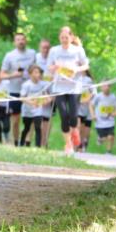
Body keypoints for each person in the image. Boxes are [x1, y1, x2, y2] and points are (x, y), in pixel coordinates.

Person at [47, 26, 90, 155]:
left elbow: (86, 65)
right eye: (62, 37)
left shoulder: (78, 50)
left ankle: (75, 131)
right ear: (59, 38)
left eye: (67, 37)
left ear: (71, 38)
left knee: (73, 116)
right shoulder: (54, 50)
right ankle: (68, 144)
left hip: (74, 87)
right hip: (59, 87)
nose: (64, 39)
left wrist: (76, 69)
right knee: (63, 116)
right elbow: (49, 66)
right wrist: (55, 67)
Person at [1, 33, 37, 146]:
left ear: (26, 41)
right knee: (15, 121)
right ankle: (16, 142)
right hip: (14, 91)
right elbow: (2, 75)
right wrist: (14, 75)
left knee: (30, 119)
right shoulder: (9, 56)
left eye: (22, 39)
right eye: (18, 40)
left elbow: (37, 70)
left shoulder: (32, 53)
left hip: (30, 92)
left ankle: (27, 142)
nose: (21, 41)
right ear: (14, 42)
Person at [20, 64, 50, 147]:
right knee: (27, 128)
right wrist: (31, 103)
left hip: (38, 111)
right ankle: (21, 143)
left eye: (39, 72)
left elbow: (47, 96)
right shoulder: (26, 85)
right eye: (35, 72)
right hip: (27, 110)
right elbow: (22, 98)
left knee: (38, 128)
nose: (38, 74)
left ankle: (38, 147)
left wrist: (46, 101)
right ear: (30, 74)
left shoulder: (42, 85)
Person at [91, 82, 116, 154]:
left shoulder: (113, 97)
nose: (106, 88)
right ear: (101, 87)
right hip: (99, 122)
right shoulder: (98, 96)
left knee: (111, 137)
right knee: (103, 138)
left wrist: (115, 113)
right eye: (104, 86)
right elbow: (91, 105)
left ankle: (109, 151)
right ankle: (100, 139)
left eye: (108, 86)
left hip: (110, 122)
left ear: (110, 87)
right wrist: (93, 115)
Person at [76, 71, 94, 152]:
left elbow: (93, 92)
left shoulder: (88, 80)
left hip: (85, 108)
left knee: (83, 129)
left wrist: (87, 99)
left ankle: (81, 144)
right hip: (76, 106)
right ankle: (76, 145)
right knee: (78, 126)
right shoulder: (74, 78)